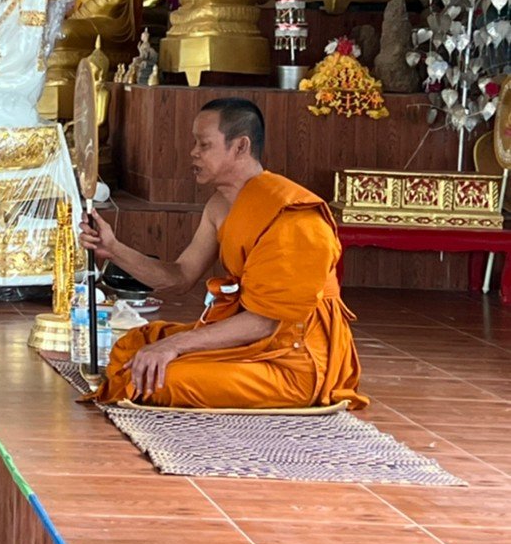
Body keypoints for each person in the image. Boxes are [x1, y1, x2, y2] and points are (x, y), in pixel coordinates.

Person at [79, 98, 367, 410]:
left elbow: (265, 323)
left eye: (204, 144)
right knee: (136, 346)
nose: (193, 152)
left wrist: (174, 345)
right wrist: (113, 249)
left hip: (293, 358)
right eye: (194, 143)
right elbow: (179, 276)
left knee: (160, 378)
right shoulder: (219, 205)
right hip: (251, 340)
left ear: (240, 146)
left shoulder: (293, 215)